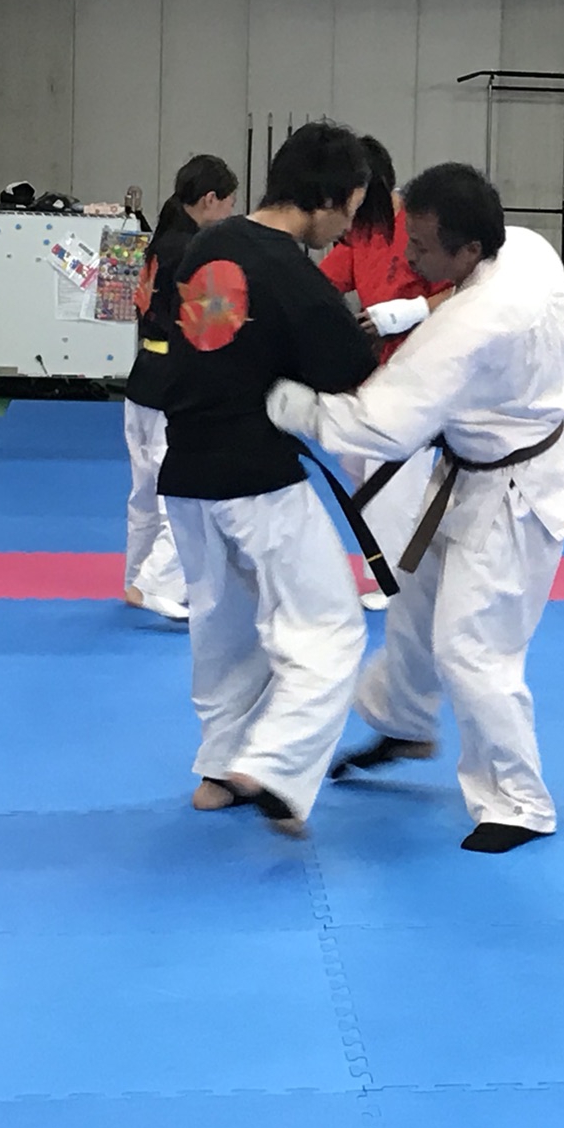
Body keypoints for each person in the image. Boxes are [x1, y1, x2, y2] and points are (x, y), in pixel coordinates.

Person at [266, 162, 564, 853]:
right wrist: (417, 311)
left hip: (515, 499)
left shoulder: (471, 328)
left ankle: (518, 802)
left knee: (472, 646)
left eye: (421, 247)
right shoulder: (526, 249)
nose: (409, 259)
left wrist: (294, 406)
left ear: (470, 248)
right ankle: (403, 722)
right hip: (472, 470)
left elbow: (381, 424)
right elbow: (453, 315)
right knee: (414, 602)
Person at [159, 122, 379, 835]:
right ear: (329, 197)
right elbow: (348, 370)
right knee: (330, 626)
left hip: (187, 472)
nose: (346, 230)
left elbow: (220, 342)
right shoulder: (294, 276)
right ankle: (276, 766)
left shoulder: (211, 244)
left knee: (225, 635)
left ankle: (219, 772)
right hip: (256, 479)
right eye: (350, 210)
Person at [317, 136, 449, 612]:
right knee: (355, 458)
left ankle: (397, 580)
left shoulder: (421, 226)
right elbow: (322, 282)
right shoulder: (360, 232)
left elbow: (464, 292)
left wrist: (413, 309)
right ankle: (403, 563)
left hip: (422, 367)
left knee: (391, 472)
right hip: (375, 371)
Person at [122, 156, 238, 621]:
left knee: (145, 493)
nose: (229, 212)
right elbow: (206, 324)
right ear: (210, 200)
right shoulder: (194, 250)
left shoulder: (161, 242)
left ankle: (136, 575)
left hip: (144, 376)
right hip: (175, 381)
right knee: (182, 490)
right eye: (228, 203)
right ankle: (151, 584)